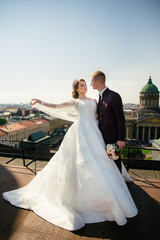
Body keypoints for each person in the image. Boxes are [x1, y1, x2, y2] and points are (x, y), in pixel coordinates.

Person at [2, 79, 138, 231]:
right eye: (82, 85)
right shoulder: (75, 102)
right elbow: (56, 106)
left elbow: (103, 116)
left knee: (100, 162)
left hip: (95, 132)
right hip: (82, 133)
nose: (85, 86)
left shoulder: (94, 99)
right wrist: (40, 102)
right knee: (81, 162)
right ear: (77, 89)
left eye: (86, 84)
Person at [91, 71, 125, 172]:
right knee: (106, 164)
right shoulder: (100, 97)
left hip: (113, 139)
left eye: (92, 81)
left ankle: (119, 185)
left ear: (98, 81)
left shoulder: (114, 96)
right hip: (101, 138)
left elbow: (120, 119)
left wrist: (121, 139)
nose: (90, 83)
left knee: (115, 162)